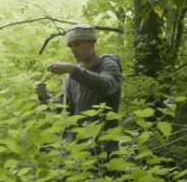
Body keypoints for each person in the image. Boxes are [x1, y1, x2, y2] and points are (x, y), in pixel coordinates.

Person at [35, 24, 123, 155]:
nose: (73, 50)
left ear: (92, 42)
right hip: (76, 149)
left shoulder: (109, 65)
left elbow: (107, 86)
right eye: (70, 46)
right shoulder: (73, 76)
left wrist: (72, 69)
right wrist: (44, 96)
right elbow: (63, 108)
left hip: (103, 147)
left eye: (77, 44)